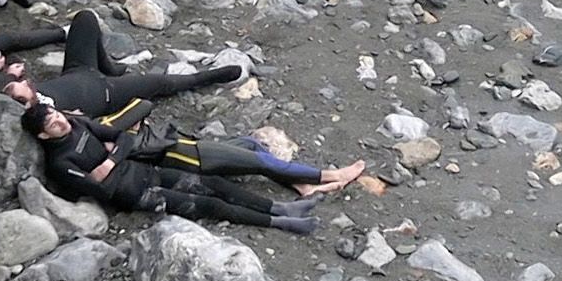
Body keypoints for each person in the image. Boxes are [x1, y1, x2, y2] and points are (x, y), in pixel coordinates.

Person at [21, 104, 318, 233]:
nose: (60, 121)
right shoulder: (61, 163)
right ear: (44, 135)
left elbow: (124, 137)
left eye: (56, 114)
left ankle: (280, 208)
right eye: (52, 123)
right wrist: (113, 156)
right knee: (208, 204)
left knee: (217, 185)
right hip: (136, 194)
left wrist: (110, 161)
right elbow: (101, 188)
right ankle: (280, 223)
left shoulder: (78, 124)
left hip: (146, 171)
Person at [43, 95, 367, 197]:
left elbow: (140, 107)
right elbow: (128, 131)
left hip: (185, 144)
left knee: (251, 144)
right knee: (261, 162)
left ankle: (301, 186)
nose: (67, 118)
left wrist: (119, 134)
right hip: (188, 157)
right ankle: (327, 175)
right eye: (54, 121)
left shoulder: (94, 127)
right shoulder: (91, 140)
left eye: (62, 114)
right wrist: (120, 141)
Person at [1, 8, 242, 116]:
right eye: (20, 89)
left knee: (85, 18)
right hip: (108, 93)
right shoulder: (44, 116)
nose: (25, 81)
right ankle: (209, 77)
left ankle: (109, 67)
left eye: (18, 82)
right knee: (160, 83)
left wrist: (7, 72)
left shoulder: (24, 92)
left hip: (78, 70)